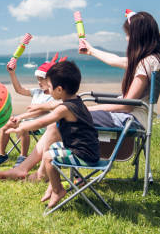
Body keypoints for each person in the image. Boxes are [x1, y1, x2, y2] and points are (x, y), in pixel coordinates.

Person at [0, 9, 160, 181]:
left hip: (130, 119)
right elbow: (115, 60)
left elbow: (127, 105)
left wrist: (90, 108)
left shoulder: (145, 63)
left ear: (137, 35)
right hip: (132, 116)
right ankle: (33, 171)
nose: (127, 39)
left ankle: (31, 171)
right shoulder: (149, 60)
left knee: (60, 121)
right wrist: (91, 49)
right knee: (60, 120)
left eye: (128, 35)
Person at [5, 60, 99, 207]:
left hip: (84, 154)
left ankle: (57, 190)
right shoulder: (75, 101)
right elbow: (50, 104)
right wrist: (39, 106)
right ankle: (52, 186)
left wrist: (22, 128)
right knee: (52, 149)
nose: (47, 90)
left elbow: (43, 122)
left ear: (60, 89)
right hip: (87, 149)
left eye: (49, 87)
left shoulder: (65, 108)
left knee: (48, 156)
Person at [0, 55, 63, 167]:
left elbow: (42, 111)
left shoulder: (54, 95)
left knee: (23, 127)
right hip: (27, 120)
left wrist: (21, 117)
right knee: (6, 126)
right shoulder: (37, 92)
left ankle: (23, 157)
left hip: (43, 125)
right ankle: (1, 154)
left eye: (42, 79)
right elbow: (19, 89)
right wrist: (12, 73)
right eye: (38, 79)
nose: (39, 82)